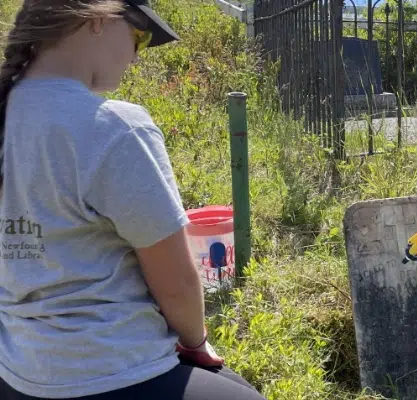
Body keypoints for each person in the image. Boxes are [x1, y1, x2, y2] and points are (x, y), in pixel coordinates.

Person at [0, 1, 266, 399]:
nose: (136, 57)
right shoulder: (115, 126)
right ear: (96, 20)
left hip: (19, 371)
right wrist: (195, 341)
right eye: (139, 37)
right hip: (114, 368)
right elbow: (176, 284)